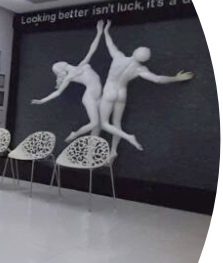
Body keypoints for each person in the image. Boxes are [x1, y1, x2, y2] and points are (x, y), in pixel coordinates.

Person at [99, 20, 194, 159]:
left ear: (134, 52)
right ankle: (113, 151)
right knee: (117, 123)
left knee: (103, 123)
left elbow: (109, 44)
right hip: (122, 93)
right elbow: (157, 79)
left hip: (109, 91)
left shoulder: (118, 57)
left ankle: (128, 137)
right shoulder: (140, 69)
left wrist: (106, 30)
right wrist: (176, 78)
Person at [31, 20, 104, 141]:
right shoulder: (70, 77)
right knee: (94, 123)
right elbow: (58, 92)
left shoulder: (82, 64)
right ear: (61, 68)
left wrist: (99, 33)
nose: (61, 63)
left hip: (98, 95)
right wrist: (42, 100)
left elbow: (92, 50)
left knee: (98, 125)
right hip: (90, 96)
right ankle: (75, 134)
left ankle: (91, 151)